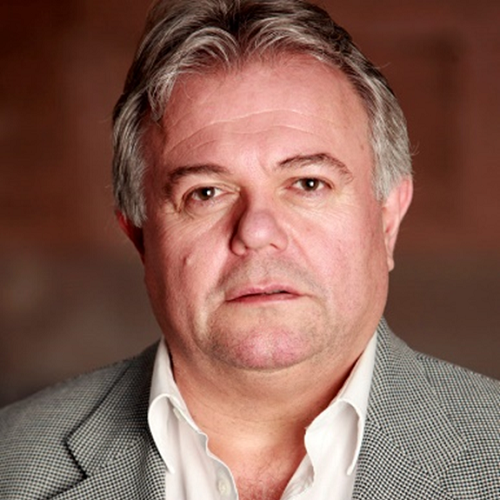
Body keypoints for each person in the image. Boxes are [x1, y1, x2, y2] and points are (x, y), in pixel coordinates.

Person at [1, 0, 498, 498]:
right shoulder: (12, 464)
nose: (257, 231)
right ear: (140, 239)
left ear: (387, 219)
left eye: (308, 183)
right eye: (205, 193)